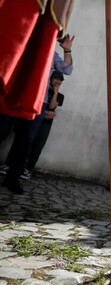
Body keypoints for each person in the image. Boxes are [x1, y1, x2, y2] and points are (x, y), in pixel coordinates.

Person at [0, 35, 74, 194]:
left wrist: (67, 49)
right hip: (15, 96)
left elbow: (67, 69)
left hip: (38, 102)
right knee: (1, 131)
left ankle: (12, 179)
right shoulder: (24, 44)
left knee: (26, 141)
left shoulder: (52, 55)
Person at [24, 71, 66, 178]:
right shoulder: (43, 91)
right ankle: (16, 166)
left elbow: (52, 107)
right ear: (50, 79)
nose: (58, 81)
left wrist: (56, 92)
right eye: (56, 78)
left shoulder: (60, 96)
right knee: (26, 143)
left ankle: (27, 169)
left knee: (38, 147)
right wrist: (44, 113)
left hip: (45, 124)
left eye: (60, 80)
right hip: (34, 120)